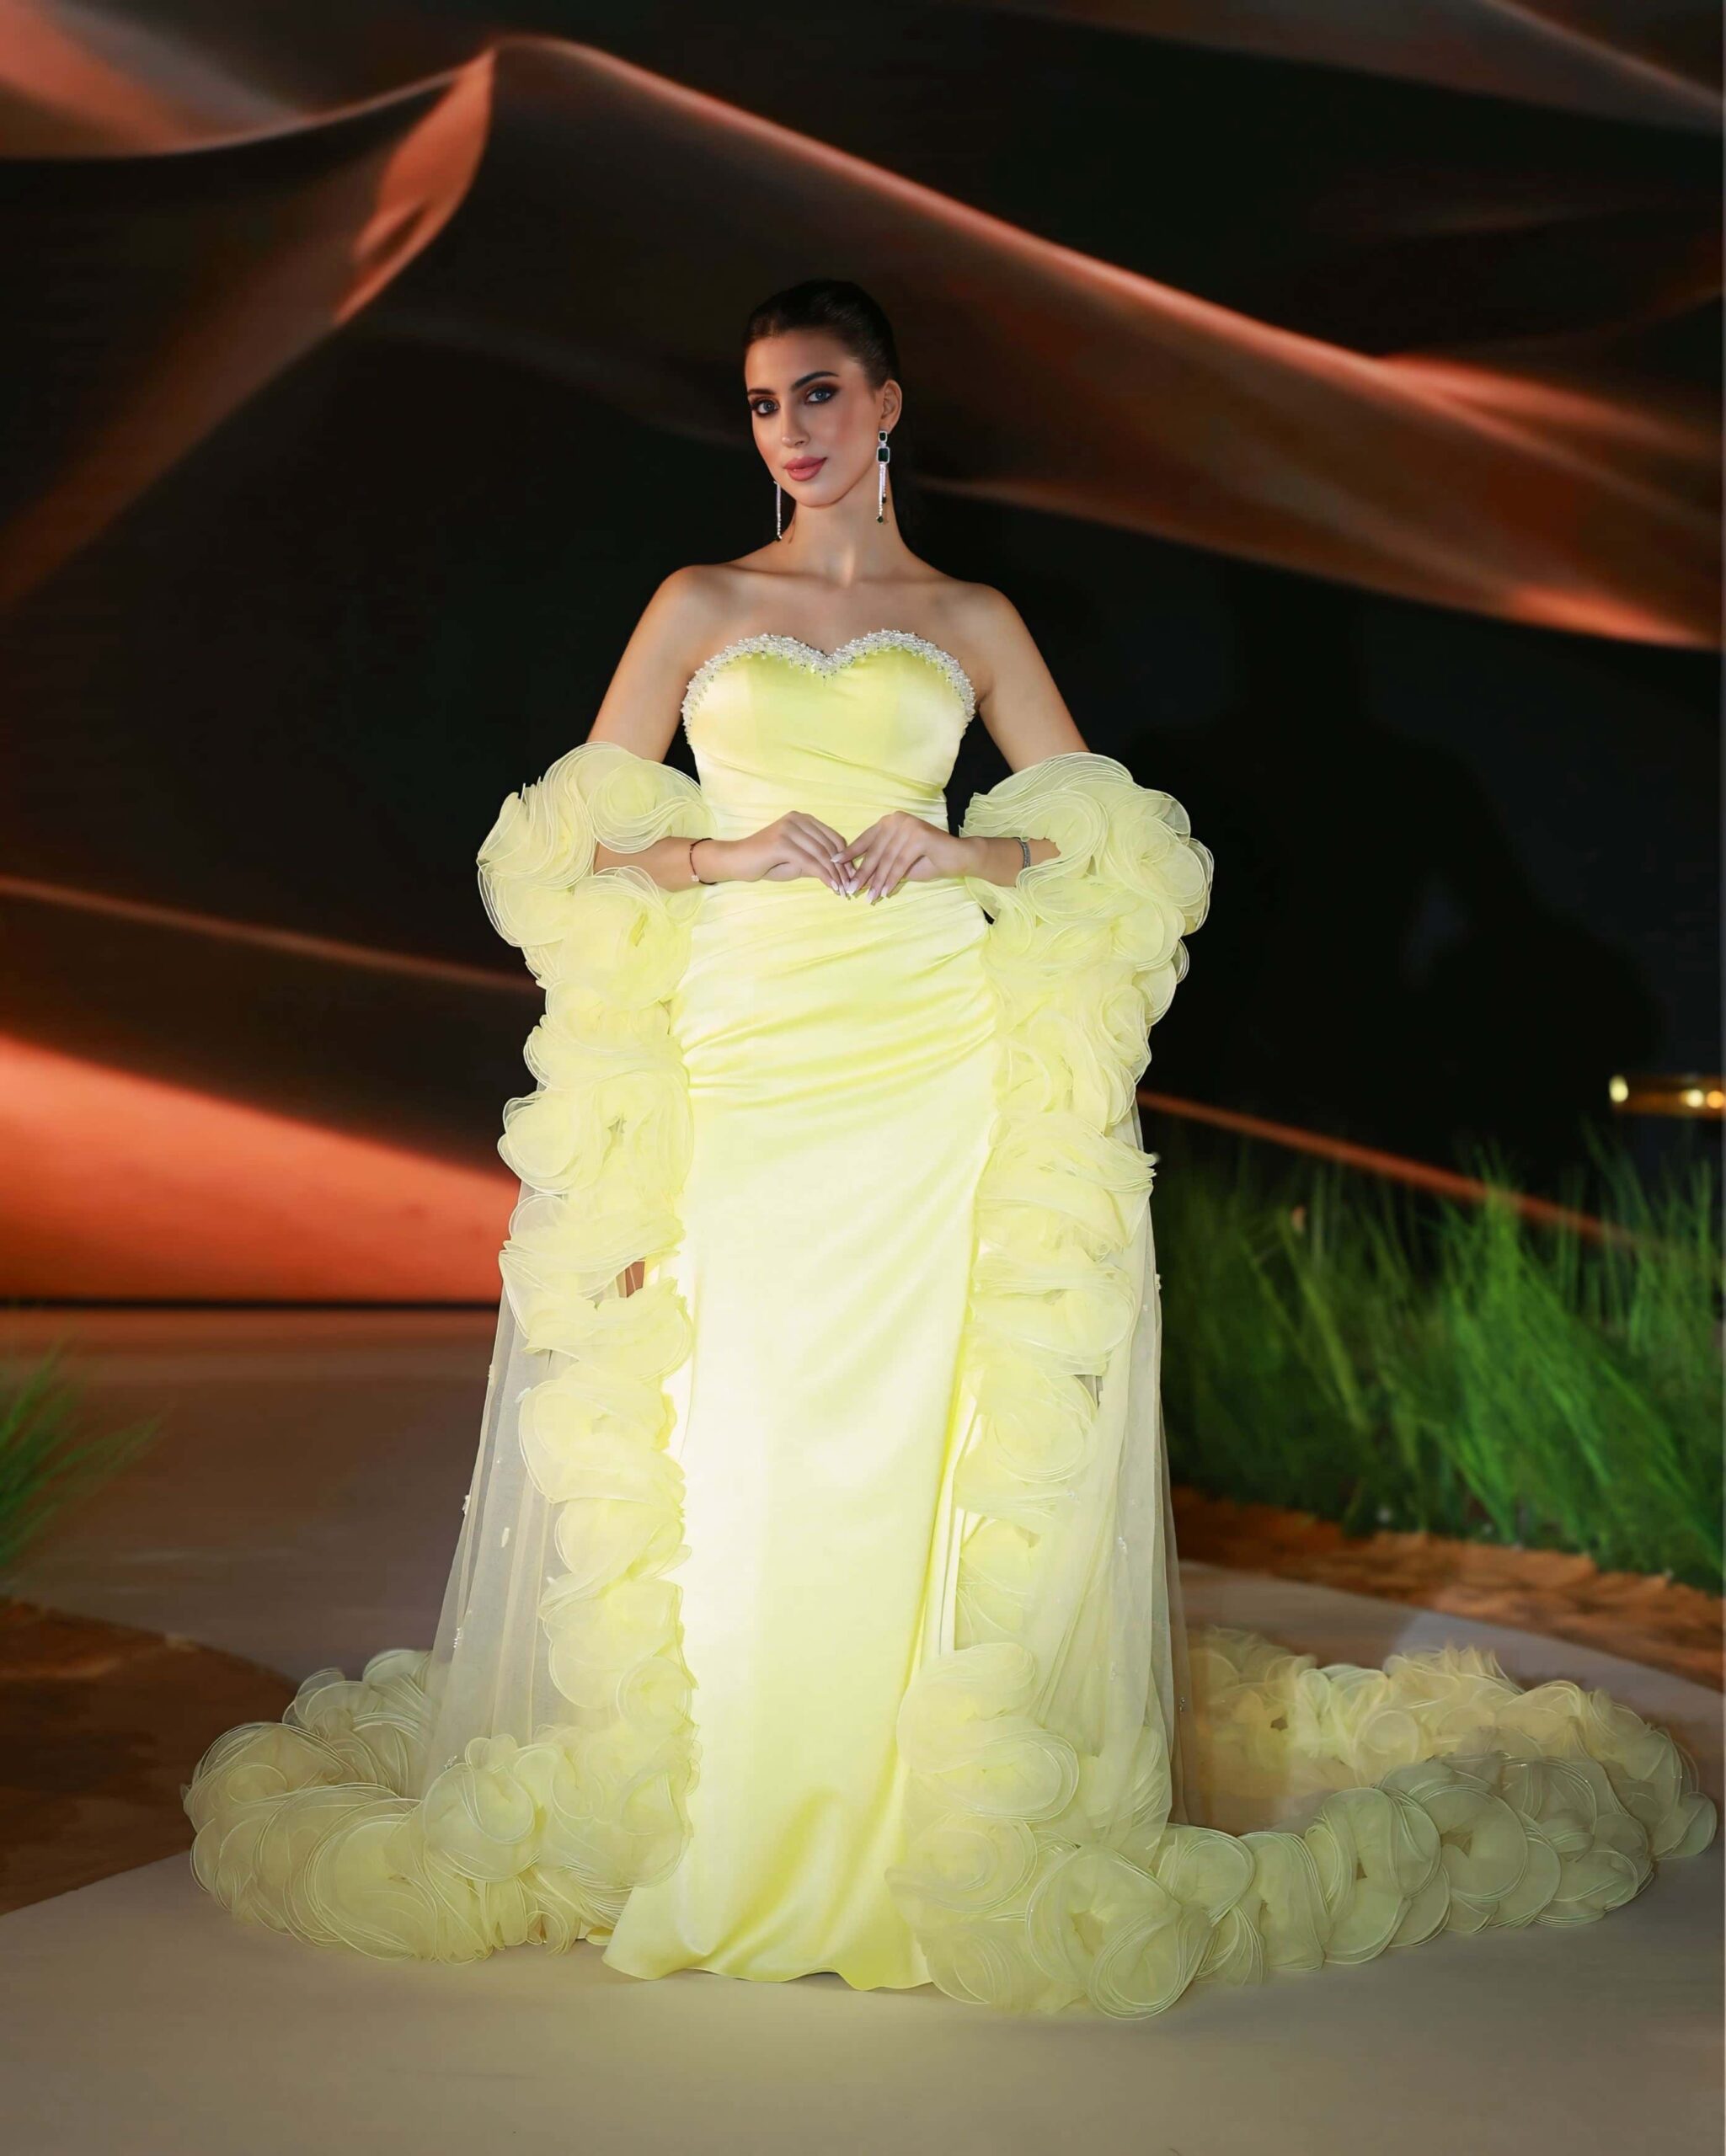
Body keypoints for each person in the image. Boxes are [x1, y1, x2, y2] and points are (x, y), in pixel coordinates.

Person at [183, 279, 1718, 2020]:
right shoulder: (699, 601)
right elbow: (562, 849)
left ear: (889, 404)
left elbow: (1105, 846)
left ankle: (915, 1828)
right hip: (748, 1040)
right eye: (762, 406)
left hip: (928, 1049)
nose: (792, 433)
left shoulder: (968, 616)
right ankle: (737, 1824)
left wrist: (952, 854)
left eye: (818, 394)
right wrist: (724, 861)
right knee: (744, 1412)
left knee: (914, 1413)